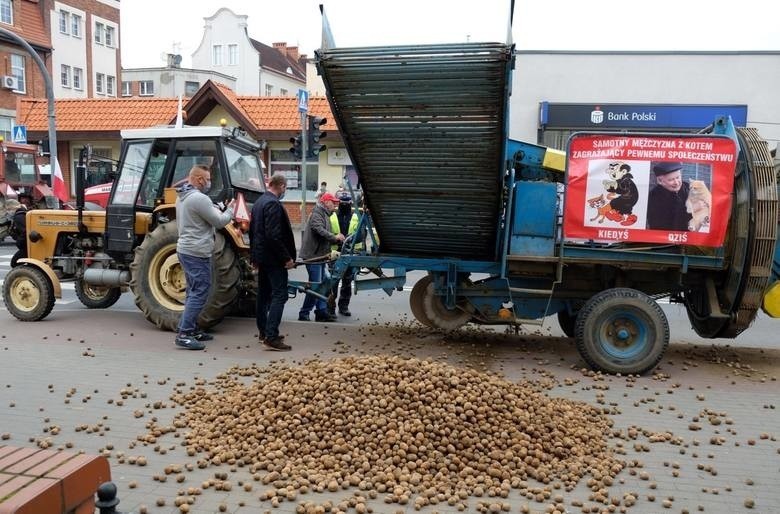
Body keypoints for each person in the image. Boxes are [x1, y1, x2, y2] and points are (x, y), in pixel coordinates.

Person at [174, 165, 235, 350]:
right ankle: (184, 334)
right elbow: (219, 221)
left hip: (186, 249)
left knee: (193, 291)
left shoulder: (182, 197)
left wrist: (218, 208)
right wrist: (230, 210)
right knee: (200, 291)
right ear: (200, 179)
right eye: (208, 179)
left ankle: (190, 329)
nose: (209, 182)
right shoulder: (200, 199)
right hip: (197, 251)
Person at [250, 173, 296, 351]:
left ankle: (263, 332)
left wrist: (254, 257)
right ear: (282, 186)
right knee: (280, 295)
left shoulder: (259, 202)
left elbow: (253, 233)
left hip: (262, 257)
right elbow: (273, 236)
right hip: (274, 259)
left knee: (263, 295)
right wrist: (287, 258)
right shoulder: (273, 204)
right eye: (285, 188)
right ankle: (271, 336)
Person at [298, 192, 344, 322]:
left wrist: (336, 237)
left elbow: (325, 234)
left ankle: (321, 311)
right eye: (333, 202)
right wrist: (335, 237)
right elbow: (319, 230)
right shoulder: (317, 213)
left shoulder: (325, 214)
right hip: (313, 256)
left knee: (325, 282)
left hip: (320, 256)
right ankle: (304, 313)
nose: (335, 205)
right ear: (325, 202)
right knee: (316, 286)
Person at [328, 192, 359, 317]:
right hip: (335, 253)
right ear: (339, 204)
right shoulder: (332, 217)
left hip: (350, 253)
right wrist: (335, 238)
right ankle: (330, 308)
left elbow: (362, 234)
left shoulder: (356, 217)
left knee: (347, 283)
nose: (345, 205)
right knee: (333, 283)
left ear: (351, 204)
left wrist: (351, 239)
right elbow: (326, 233)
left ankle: (344, 307)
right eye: (342, 203)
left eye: (347, 203)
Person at [646, 162, 692, 231]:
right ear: (660, 181)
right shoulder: (653, 197)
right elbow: (657, 226)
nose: (676, 182)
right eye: (671, 180)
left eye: (678, 177)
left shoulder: (688, 188)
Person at [4, 199, 27, 267]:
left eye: (8, 209)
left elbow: (25, 231)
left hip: (26, 247)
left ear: (12, 207)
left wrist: (19, 242)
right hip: (29, 245)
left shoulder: (18, 217)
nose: (8, 212)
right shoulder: (23, 212)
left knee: (14, 263)